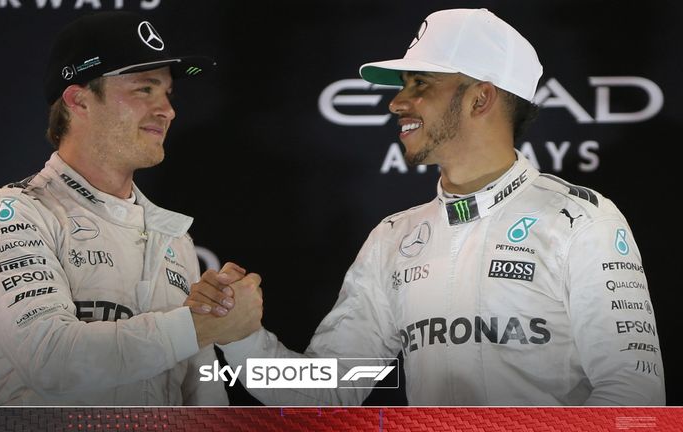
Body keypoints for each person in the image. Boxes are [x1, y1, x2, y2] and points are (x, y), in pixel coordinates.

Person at [212, 8, 665, 405]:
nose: (396, 102)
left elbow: (634, 394)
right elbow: (328, 389)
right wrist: (240, 339)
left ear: (480, 97)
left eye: (420, 84)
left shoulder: (581, 221)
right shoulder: (394, 237)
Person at [0, 11, 262, 405]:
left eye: (167, 94)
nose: (166, 110)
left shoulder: (174, 238)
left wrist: (208, 322)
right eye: (144, 90)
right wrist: (199, 326)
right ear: (78, 99)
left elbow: (203, 398)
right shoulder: (18, 213)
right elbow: (53, 360)